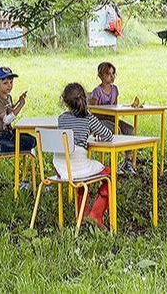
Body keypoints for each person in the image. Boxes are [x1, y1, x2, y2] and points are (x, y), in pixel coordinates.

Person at [56, 82, 115, 229]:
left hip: (61, 168)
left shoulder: (62, 119)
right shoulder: (89, 119)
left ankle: (82, 215)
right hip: (78, 167)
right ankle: (96, 213)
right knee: (109, 174)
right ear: (85, 98)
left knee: (80, 181)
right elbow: (108, 135)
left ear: (65, 101)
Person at [0, 66, 34, 154]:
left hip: (8, 133)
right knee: (28, 143)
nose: (9, 85)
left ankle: (5, 146)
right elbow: (7, 120)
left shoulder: (8, 97)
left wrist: (19, 101)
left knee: (33, 140)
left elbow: (10, 110)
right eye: (5, 83)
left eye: (11, 82)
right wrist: (21, 105)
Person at [89, 62, 134, 135]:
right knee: (116, 129)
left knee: (130, 129)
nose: (112, 76)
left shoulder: (115, 89)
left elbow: (115, 107)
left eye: (113, 73)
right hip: (99, 121)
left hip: (112, 119)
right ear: (100, 76)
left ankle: (134, 146)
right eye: (108, 74)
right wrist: (106, 116)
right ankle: (120, 145)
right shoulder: (97, 91)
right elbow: (93, 112)